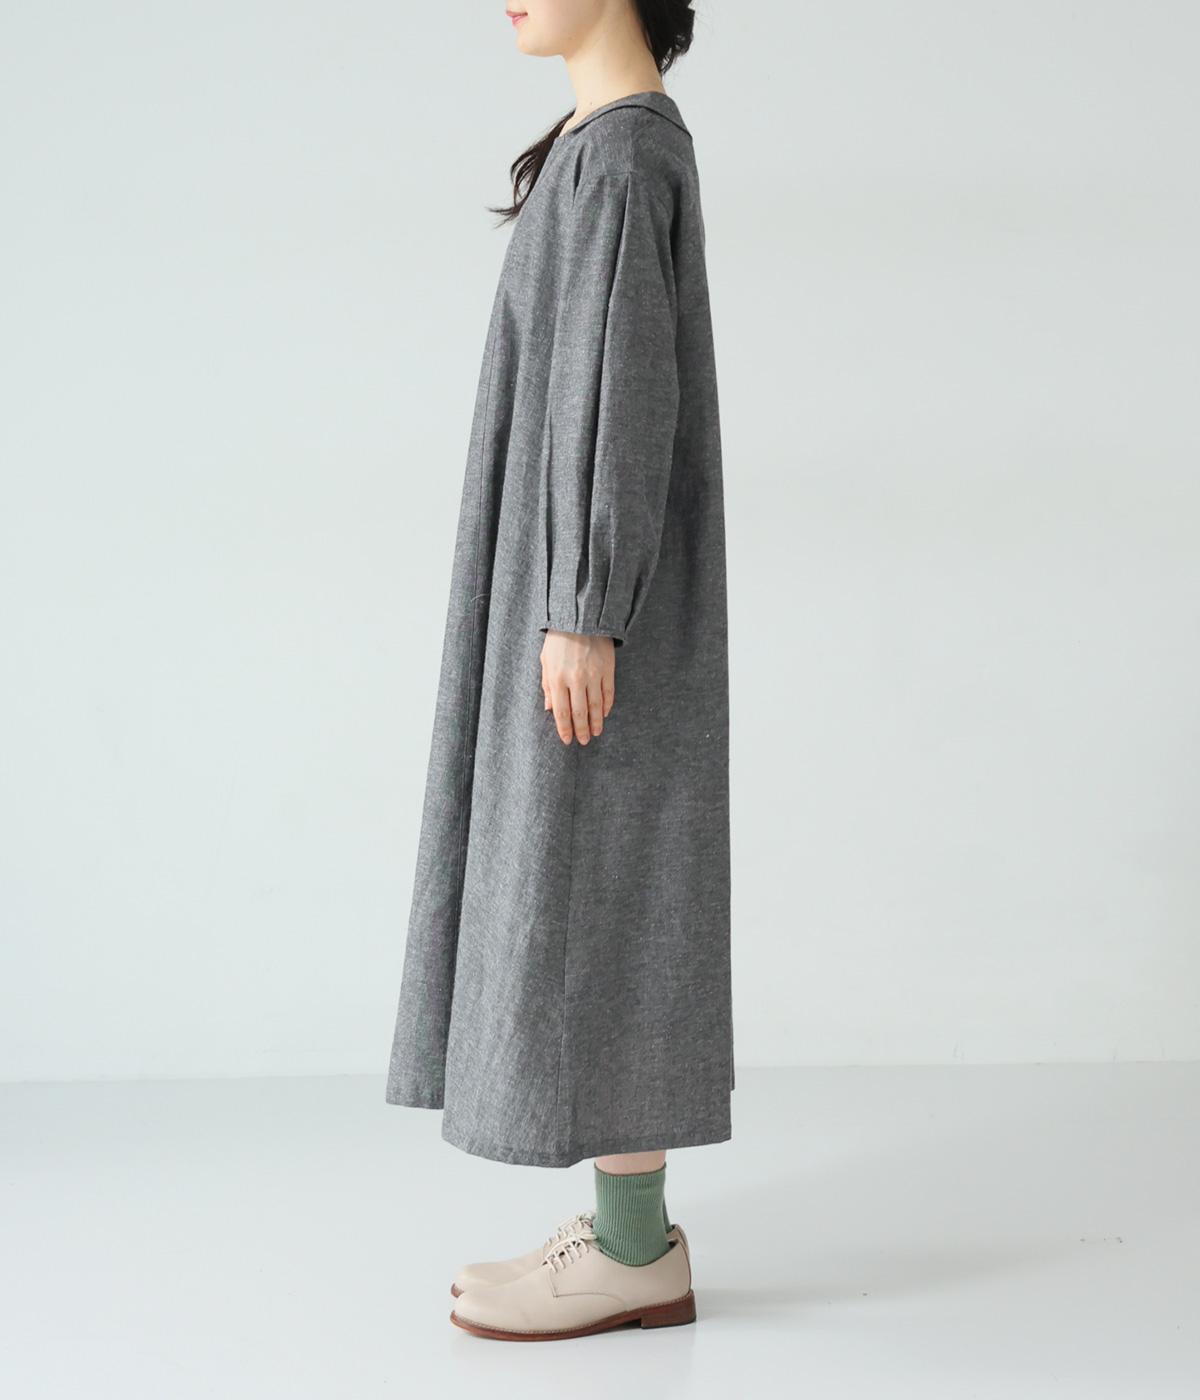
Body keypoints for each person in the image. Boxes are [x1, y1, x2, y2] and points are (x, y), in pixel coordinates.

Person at [385, 0, 732, 1341]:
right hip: (563, 586)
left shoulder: (630, 154)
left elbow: (627, 387)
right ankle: (629, 1235)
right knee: (602, 880)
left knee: (607, 884)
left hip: (589, 600)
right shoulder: (603, 146)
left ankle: (636, 1254)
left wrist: (585, 604)